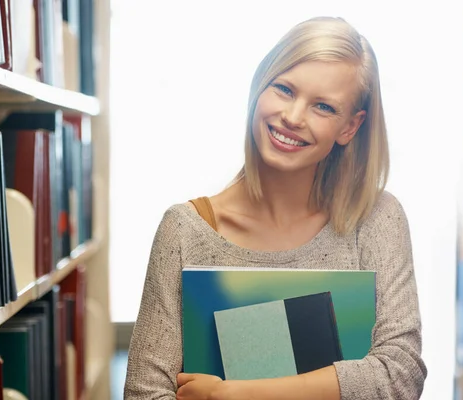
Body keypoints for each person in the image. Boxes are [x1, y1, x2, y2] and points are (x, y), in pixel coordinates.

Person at [124, 16, 427, 400]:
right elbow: (144, 394)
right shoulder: (184, 229)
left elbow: (400, 376)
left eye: (323, 107)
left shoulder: (376, 218)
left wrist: (233, 394)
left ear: (350, 128)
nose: (293, 117)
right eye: (284, 89)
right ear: (259, 86)